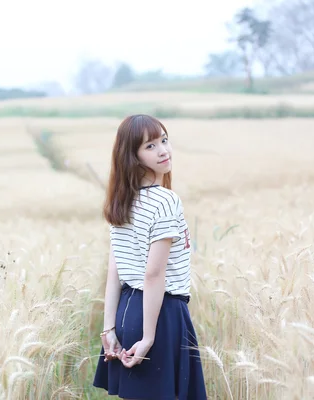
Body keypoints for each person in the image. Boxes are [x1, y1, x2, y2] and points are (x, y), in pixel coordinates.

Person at [92, 114, 207, 400]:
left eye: (164, 141)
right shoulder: (166, 201)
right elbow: (154, 274)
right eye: (150, 146)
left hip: (126, 313)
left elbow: (114, 273)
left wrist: (109, 329)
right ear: (132, 156)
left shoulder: (122, 202)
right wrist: (149, 338)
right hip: (161, 314)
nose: (163, 150)